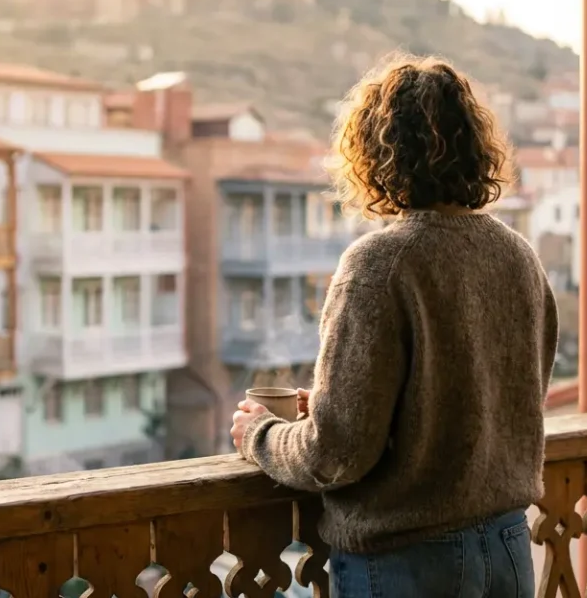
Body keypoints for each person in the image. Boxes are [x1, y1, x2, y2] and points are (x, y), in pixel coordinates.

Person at [230, 55, 557, 598]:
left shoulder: (380, 264)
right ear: (478, 144)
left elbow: (334, 456)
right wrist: (345, 402)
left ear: (374, 155)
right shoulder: (519, 256)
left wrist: (260, 434)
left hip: (410, 563)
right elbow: (491, 404)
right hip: (508, 548)